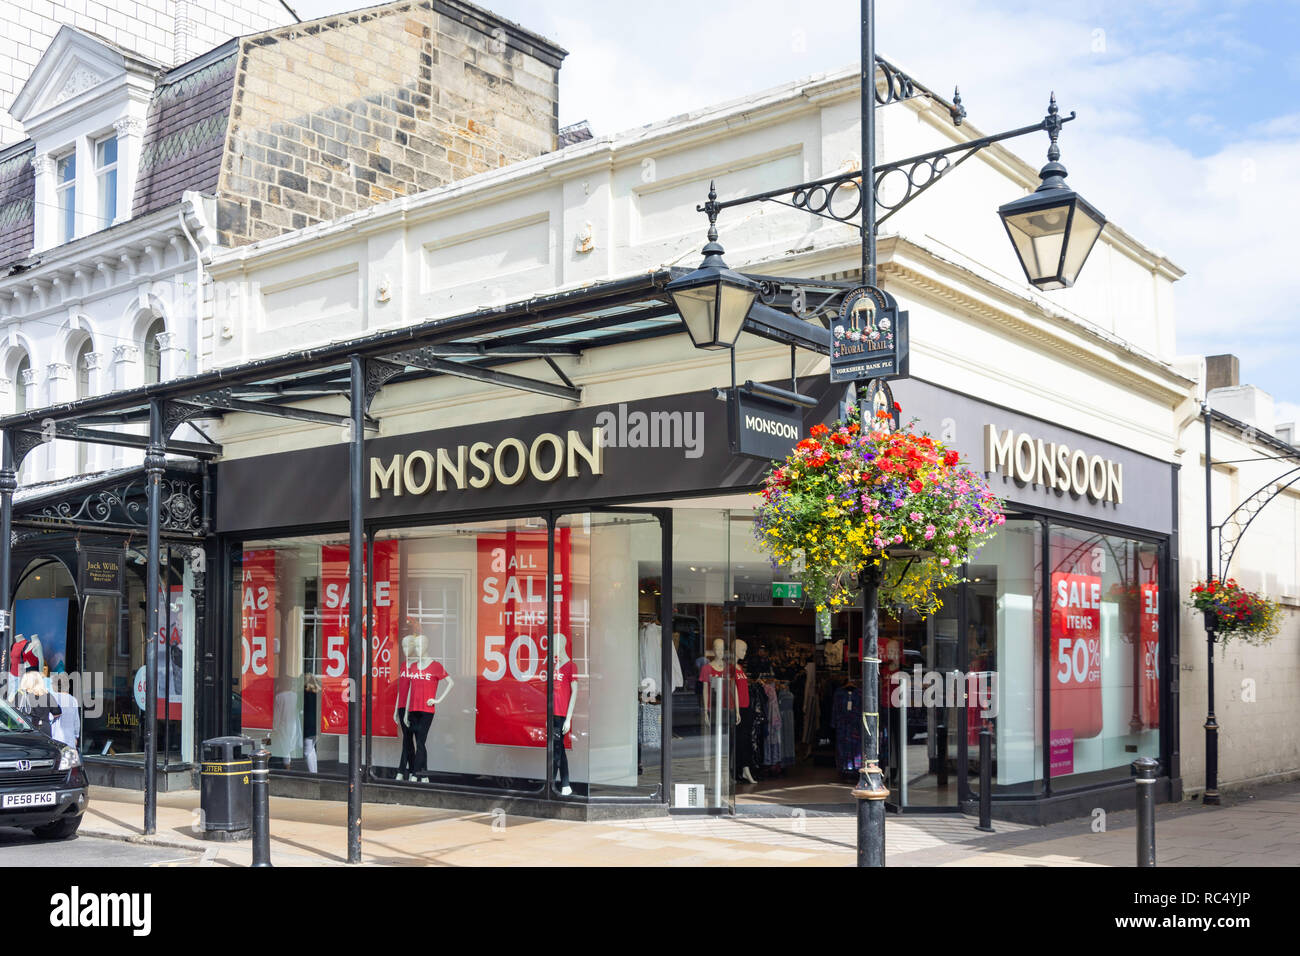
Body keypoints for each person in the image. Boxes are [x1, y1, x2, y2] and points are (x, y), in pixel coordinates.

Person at [13, 671, 61, 738]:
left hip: (25, 727)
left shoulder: (21, 694)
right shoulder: (47, 695)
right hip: (44, 727)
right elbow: (57, 713)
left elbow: (12, 711)